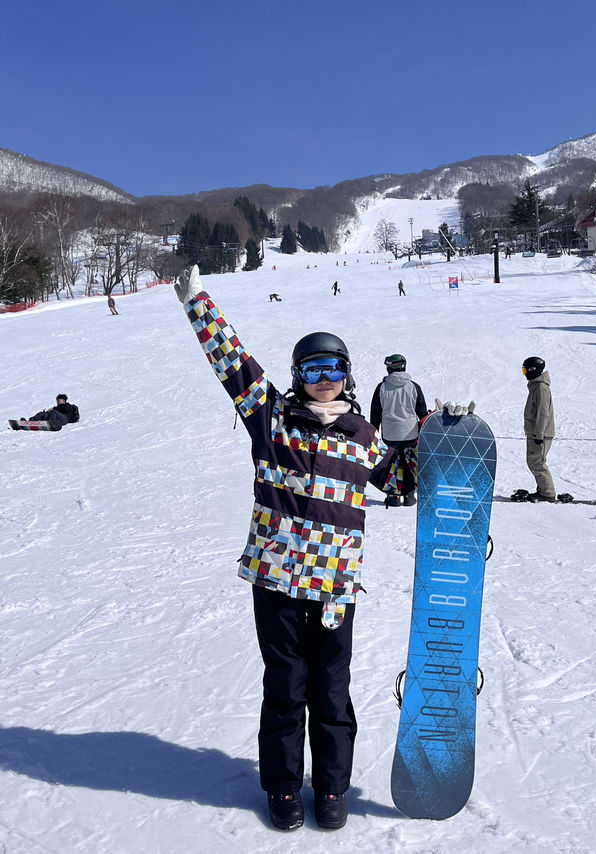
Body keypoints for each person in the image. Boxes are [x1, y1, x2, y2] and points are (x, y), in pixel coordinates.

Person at [174, 265, 394, 833]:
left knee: (332, 690)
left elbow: (403, 481)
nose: (326, 378)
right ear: (298, 374)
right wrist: (199, 302)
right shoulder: (272, 419)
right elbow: (233, 362)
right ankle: (282, 789)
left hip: (334, 590)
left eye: (336, 368)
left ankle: (332, 788)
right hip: (275, 580)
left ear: (349, 376)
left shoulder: (365, 436)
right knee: (284, 686)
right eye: (314, 368)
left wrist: (447, 436)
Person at [369, 354, 428, 507]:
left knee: (393, 466)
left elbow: (375, 414)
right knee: (409, 464)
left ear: (389, 368)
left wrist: (374, 433)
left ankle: (393, 496)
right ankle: (409, 495)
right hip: (410, 433)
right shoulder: (414, 387)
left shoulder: (381, 388)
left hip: (390, 434)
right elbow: (421, 412)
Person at [522, 357, 555, 502]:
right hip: (536, 433)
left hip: (540, 434)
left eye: (525, 370)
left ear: (532, 370)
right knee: (534, 461)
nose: (524, 374)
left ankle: (547, 493)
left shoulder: (541, 387)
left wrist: (539, 435)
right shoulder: (536, 386)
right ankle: (543, 490)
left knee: (537, 462)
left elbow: (543, 412)